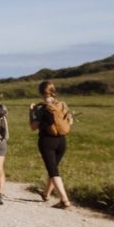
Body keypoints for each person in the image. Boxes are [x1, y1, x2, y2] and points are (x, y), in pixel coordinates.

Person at [30, 80, 74, 209]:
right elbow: (70, 122)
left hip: (47, 141)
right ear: (53, 91)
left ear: (40, 92)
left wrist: (31, 112)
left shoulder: (40, 107)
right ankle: (46, 194)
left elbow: (33, 127)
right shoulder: (62, 104)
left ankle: (64, 201)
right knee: (53, 168)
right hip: (62, 141)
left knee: (53, 171)